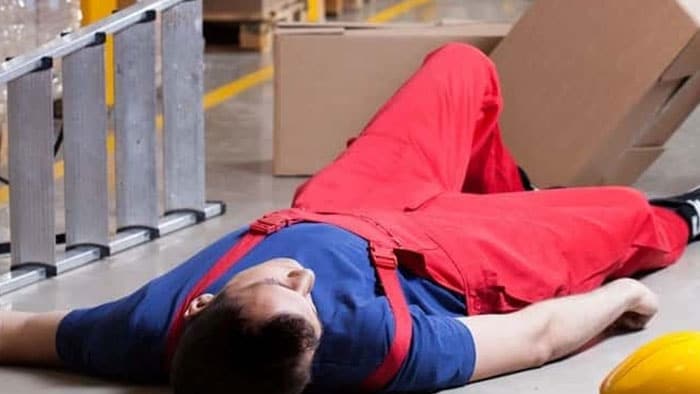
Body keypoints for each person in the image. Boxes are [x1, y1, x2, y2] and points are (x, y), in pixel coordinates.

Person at [0, 43, 699, 394]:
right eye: (308, 308)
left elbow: (25, 331)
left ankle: (506, 190)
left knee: (462, 67)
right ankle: (686, 218)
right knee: (628, 216)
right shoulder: (378, 350)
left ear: (203, 304)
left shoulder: (140, 327)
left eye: (277, 284)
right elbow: (539, 336)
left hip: (345, 203)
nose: (304, 278)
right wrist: (623, 296)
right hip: (452, 257)